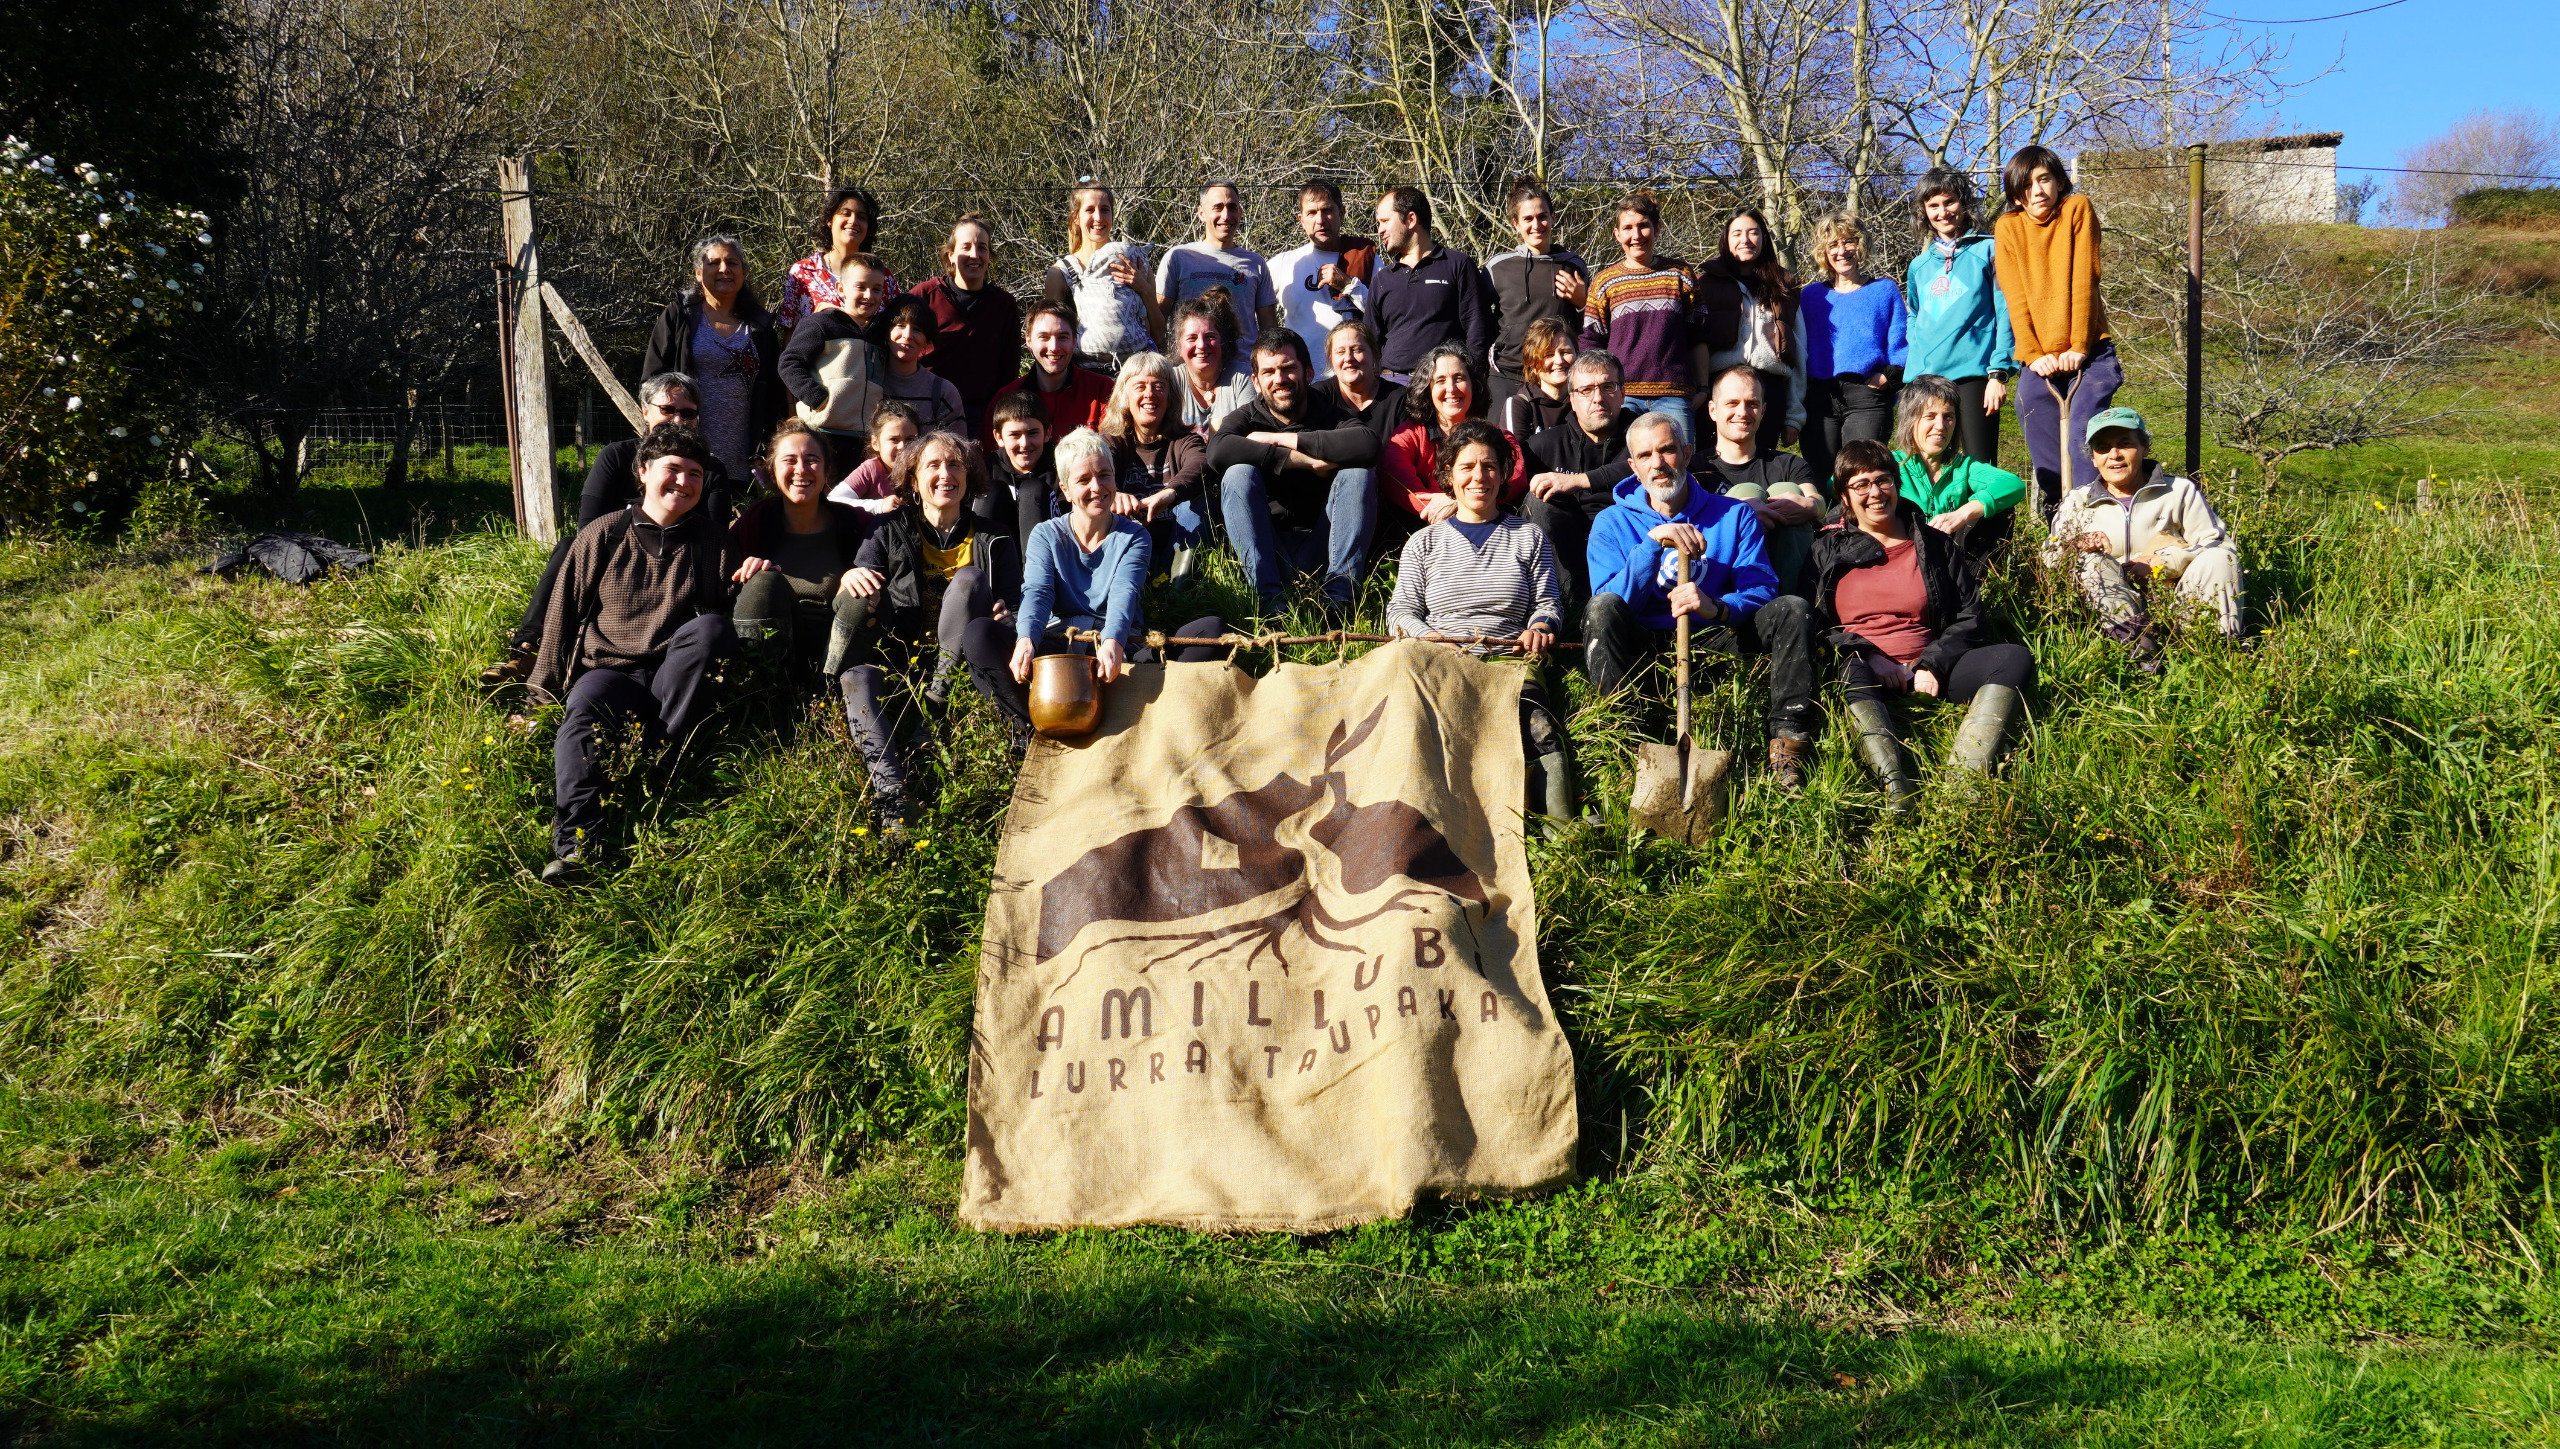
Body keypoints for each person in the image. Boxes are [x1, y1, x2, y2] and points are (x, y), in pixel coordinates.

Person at [529, 424, 740, 885]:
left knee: (709, 630)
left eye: (695, 474)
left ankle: (664, 756)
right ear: (643, 472)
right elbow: (561, 615)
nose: (684, 483)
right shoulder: (603, 535)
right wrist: (540, 695)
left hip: (672, 677)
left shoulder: (712, 541)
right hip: (609, 672)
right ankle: (578, 847)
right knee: (581, 714)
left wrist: (752, 577)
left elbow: (726, 615)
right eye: (673, 470)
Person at [1583, 411, 1818, 791]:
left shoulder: (1735, 514)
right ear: (1633, 466)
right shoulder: (1611, 523)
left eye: (1668, 450)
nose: (1658, 463)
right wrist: (1651, 545)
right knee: (1600, 608)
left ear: (1688, 452)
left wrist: (1716, 606)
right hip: (1645, 646)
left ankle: (1788, 744)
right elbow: (1610, 604)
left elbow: (1760, 589)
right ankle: (1624, 744)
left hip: (1717, 638)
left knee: (1793, 608)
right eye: (1645, 456)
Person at [966, 428, 1229, 746]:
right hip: (1056, 654)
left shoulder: (1133, 536)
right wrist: (1025, 640)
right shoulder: (1047, 535)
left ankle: (1140, 723)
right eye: (1083, 480)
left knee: (1212, 630)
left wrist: (1113, 643)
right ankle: (1032, 726)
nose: (1097, 487)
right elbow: (1038, 592)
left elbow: (1124, 592)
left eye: (1104, 475)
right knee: (979, 633)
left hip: (1120, 659)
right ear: (1065, 489)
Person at [1811, 440, 2034, 811]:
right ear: (1844, 497)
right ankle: (1895, 787)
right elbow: (1816, 621)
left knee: (2012, 658)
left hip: (1929, 667)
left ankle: (1965, 782)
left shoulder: (1933, 544)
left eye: (1883, 481)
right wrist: (1870, 655)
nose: (1875, 493)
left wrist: (1932, 662)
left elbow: (1970, 615)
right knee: (1850, 670)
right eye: (1861, 484)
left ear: (1896, 484)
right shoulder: (1825, 549)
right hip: (1863, 665)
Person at [480, 373, 735, 688]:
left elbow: (716, 533)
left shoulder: (710, 469)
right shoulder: (616, 456)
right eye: (668, 409)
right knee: (568, 546)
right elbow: (589, 528)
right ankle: (527, 649)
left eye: (688, 413)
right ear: (645, 411)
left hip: (680, 563)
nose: (677, 419)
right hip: (615, 556)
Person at [1385, 418, 1574, 821]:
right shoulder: (1424, 542)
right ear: (1448, 476)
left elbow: (1548, 603)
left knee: (1537, 726)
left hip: (1509, 661)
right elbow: (1400, 612)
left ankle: (1559, 828)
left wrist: (1540, 627)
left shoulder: (1528, 536)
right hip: (1438, 660)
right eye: (1466, 467)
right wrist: (1432, 638)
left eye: (1489, 466)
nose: (1479, 477)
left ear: (1504, 473)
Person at [836, 430, 1022, 829]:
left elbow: (1019, 603)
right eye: (932, 465)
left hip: (961, 672)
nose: (945, 474)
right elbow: (861, 581)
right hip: (902, 659)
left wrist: (1010, 616)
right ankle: (893, 798)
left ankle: (934, 708)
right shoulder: (886, 529)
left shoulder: (995, 536)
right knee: (856, 678)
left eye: (955, 464)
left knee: (970, 579)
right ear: (913, 480)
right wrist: (851, 576)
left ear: (969, 476)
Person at [2045, 406, 2243, 672]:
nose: (2114, 455)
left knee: (2220, 558)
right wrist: (2075, 546)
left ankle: (2215, 654)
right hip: (2112, 610)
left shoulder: (2179, 491)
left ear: (2145, 447)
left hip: (2175, 601)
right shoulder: (2078, 501)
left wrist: (2158, 564)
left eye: (2125, 444)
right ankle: (2140, 659)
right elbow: (2049, 557)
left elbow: (2217, 542)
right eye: (2102, 448)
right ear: (2093, 458)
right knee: (2092, 563)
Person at [1208, 332, 1383, 621]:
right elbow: (1217, 452)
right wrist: (1298, 461)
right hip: (1269, 551)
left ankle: (1338, 601)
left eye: (1288, 368)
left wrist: (1287, 440)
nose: (1280, 379)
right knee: (1237, 474)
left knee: (1358, 474)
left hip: (1324, 545)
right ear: (1256, 381)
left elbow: (1368, 444)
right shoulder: (1245, 418)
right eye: (1269, 372)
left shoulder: (1330, 414)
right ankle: (1269, 603)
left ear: (1309, 372)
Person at [1996, 145, 2120, 513]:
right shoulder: (2008, 227)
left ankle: (2090, 515)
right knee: (2032, 409)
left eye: (2044, 179)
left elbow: (2085, 279)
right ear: (2016, 193)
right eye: (2026, 184)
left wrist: (2079, 346)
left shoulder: (2075, 209)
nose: (2037, 191)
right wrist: (2034, 355)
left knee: (2084, 431)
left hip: (2089, 350)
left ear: (2059, 181)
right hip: (2040, 358)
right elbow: (2015, 297)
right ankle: (2056, 515)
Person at [729, 420, 873, 680]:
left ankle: (827, 693)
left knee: (863, 591)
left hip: (835, 644)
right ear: (772, 471)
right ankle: (771, 697)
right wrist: (746, 573)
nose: (801, 470)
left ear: (827, 471)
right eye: (790, 460)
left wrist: (856, 571)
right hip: (775, 645)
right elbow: (721, 581)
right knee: (763, 583)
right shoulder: (755, 521)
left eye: (811, 459)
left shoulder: (854, 523)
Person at [641, 235, 785, 481]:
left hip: (742, 454)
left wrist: (770, 448)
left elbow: (774, 392)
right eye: (713, 263)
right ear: (698, 273)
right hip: (683, 450)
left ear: (744, 272)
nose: (723, 269)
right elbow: (652, 382)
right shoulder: (680, 316)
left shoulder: (760, 327)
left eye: (732, 263)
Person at [1903, 168, 2014, 466]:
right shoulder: (1919, 266)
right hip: (1927, 379)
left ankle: (1989, 516)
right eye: (1933, 206)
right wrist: (1915, 362)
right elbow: (1915, 314)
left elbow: (2006, 310)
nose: (1942, 212)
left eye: (1949, 202)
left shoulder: (1989, 250)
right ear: (1923, 211)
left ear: (1963, 203)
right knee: (1927, 466)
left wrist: (1998, 372)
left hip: (1975, 376)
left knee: (1981, 465)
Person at [1522, 350, 1641, 615]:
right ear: (1572, 399)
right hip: (1566, 552)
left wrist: (1580, 481)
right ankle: (1565, 608)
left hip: (1628, 547)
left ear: (1623, 393)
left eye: (1608, 387)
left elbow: (1661, 465)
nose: (1598, 398)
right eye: (1586, 390)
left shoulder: (1644, 435)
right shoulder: (1542, 445)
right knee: (1535, 501)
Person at [1579, 189, 1701, 445]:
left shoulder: (1680, 274)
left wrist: (1703, 388)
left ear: (1656, 229)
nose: (1636, 235)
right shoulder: (1604, 282)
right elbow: (1591, 345)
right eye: (1628, 228)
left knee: (1680, 469)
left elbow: (1699, 337)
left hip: (1675, 397)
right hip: (1622, 398)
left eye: (1643, 226)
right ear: (1617, 234)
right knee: (1624, 470)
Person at [1695, 367, 1828, 598]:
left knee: (1786, 490)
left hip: (1788, 583)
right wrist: (1739, 514)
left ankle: (1795, 605)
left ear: (1763, 410)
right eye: (1732, 403)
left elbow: (1815, 499)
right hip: (1721, 589)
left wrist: (1808, 506)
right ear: (1713, 410)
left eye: (1752, 404)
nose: (1743, 412)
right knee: (1742, 495)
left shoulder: (1788, 464)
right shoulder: (1695, 468)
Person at [1799, 211, 1908, 490]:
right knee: (1819, 476)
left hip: (1866, 396)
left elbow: (1902, 343)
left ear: (1861, 245)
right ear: (1823, 251)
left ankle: (1863, 533)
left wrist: (1889, 377)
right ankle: (1825, 533)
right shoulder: (1811, 297)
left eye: (1849, 242)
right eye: (1833, 244)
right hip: (1819, 399)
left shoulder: (1884, 290)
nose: (1841, 251)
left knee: (1862, 474)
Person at [1379, 343, 1525, 537]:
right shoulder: (1410, 435)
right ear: (1427, 389)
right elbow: (1394, 476)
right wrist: (1432, 506)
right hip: (1424, 533)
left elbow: (1517, 477)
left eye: (1459, 378)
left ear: (1474, 384)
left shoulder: (1498, 437)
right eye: (1440, 380)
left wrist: (1459, 502)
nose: (1451, 388)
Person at [1697, 209, 1807, 453]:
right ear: (1726, 239)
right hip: (1720, 388)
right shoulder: (1704, 283)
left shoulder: (1785, 284)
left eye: (1753, 232)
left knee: (1761, 463)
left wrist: (1794, 416)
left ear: (1764, 238)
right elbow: (1694, 344)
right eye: (1737, 233)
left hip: (1769, 392)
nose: (1745, 240)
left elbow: (1799, 351)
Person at [776, 251, 891, 479]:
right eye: (860, 287)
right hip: (822, 434)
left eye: (876, 289)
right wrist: (817, 398)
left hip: (866, 439)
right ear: (841, 290)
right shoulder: (821, 324)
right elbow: (789, 362)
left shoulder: (881, 335)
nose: (869, 295)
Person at [1099, 350, 1212, 580]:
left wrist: (1168, 495)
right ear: (1124, 395)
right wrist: (1114, 495)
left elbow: (1201, 464)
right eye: (1140, 386)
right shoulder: (1112, 441)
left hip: (1176, 544)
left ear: (1171, 395)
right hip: (1129, 551)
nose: (1149, 394)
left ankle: (1180, 590)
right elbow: (1095, 470)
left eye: (1159, 386)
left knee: (1195, 501)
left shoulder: (1184, 440)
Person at [910, 213, 1025, 438]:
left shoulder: (1003, 305)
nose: (975, 255)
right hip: (927, 412)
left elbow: (1009, 368)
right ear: (951, 254)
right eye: (966, 247)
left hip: (981, 417)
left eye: (982, 247)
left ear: (990, 255)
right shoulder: (925, 296)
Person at [1892, 374, 2028, 558]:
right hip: (1901, 562)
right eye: (1930, 416)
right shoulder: (1889, 464)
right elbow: (1842, 482)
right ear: (1910, 420)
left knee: (1998, 513)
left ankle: (1978, 585)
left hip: (1953, 563)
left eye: (1948, 416)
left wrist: (1962, 514)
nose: (1940, 426)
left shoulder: (1963, 466)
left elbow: (2013, 484)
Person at [1484, 179, 1590, 412]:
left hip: (1557, 376)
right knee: (1502, 445)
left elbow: (1591, 327)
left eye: (1542, 216)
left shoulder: (1573, 266)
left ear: (1553, 217)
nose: (1537, 225)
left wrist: (1583, 302)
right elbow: (1479, 321)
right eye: (1528, 219)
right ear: (1515, 224)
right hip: (1507, 375)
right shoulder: (1497, 267)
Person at [1368, 186, 1489, 384]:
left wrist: (1473, 382)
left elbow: (1477, 329)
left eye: (1385, 221)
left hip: (1442, 385)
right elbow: (1371, 341)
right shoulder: (1382, 279)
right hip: (1392, 387)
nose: (1380, 229)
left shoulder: (1458, 265)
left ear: (1411, 219)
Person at [1044, 180, 1163, 369]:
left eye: (1105, 209)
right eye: (1090, 210)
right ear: (1076, 217)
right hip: (1086, 380)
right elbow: (1052, 337)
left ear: (1113, 215)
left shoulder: (1136, 263)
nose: (1098, 217)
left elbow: (1159, 334)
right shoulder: (1061, 272)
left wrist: (1145, 290)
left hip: (1134, 378)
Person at [1155, 182, 1282, 355]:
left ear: (1240, 212)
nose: (1226, 215)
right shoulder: (1178, 257)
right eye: (1218, 207)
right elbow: (1157, 321)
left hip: (1241, 370)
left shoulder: (1256, 263)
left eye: (1232, 207)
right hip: (1189, 368)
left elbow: (1269, 330)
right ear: (1201, 213)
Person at [1272, 180, 1376, 381]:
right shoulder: (1284, 263)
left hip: (1354, 383)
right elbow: (1249, 300)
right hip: (1302, 385)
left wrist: (1347, 285)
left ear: (1342, 213)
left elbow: (1385, 313)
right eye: (1311, 213)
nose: (1320, 220)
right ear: (1301, 219)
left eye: (1327, 210)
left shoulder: (1365, 256)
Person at [983, 304, 1114, 453]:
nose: (1054, 347)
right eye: (1044, 337)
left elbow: (1113, 455)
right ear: (1029, 341)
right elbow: (990, 461)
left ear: (1074, 341)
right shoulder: (1005, 398)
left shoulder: (1102, 390)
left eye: (1062, 337)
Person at [775, 184, 900, 335]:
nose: (853, 221)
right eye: (845, 213)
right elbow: (790, 336)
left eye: (862, 217)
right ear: (829, 219)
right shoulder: (802, 273)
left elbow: (895, 333)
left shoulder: (884, 278)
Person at [877, 295, 968, 433]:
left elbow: (955, 450)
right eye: (900, 325)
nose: (907, 335)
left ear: (927, 341)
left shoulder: (944, 393)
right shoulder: (869, 384)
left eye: (917, 329)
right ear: (886, 332)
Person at [1312, 320, 1407, 453]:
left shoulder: (1399, 398)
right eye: (1340, 352)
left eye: (1357, 349)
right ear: (1331, 359)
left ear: (1374, 354)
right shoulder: (1317, 397)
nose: (1348, 358)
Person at [1168, 293, 1256, 433]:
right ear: (1179, 346)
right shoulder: (1171, 381)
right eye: (1192, 338)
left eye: (1210, 337)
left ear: (1223, 342)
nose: (1202, 345)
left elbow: (1249, 436)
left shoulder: (1242, 378)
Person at [984, 389, 1058, 544]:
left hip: (1048, 555)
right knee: (990, 491)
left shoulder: (1060, 468)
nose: (1024, 443)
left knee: (1034, 491)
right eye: (1015, 435)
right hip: (1000, 558)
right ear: (999, 437)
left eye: (1032, 433)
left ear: (1047, 432)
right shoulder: (988, 469)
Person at [827, 400, 921, 513]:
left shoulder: (923, 469)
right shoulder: (871, 469)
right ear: (875, 443)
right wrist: (879, 506)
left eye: (910, 440)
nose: (902, 446)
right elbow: (833, 500)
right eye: (894, 440)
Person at [1498, 318, 1576, 440]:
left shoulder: (1588, 399)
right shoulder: (1519, 406)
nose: (1559, 361)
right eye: (1548, 355)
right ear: (1532, 364)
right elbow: (1516, 457)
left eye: (1565, 352)